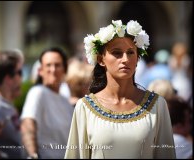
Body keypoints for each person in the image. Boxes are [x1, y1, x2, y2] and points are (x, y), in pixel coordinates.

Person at [64, 20, 176, 159]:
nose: (125, 59)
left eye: (130, 52)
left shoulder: (157, 105)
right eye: (117, 53)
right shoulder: (84, 108)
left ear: (137, 58)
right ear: (100, 59)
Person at [20, 47, 74, 159]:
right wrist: (33, 156)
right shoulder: (37, 92)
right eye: (48, 65)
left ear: (65, 69)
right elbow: (28, 123)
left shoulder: (65, 102)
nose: (53, 70)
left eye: (57, 65)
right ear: (40, 71)